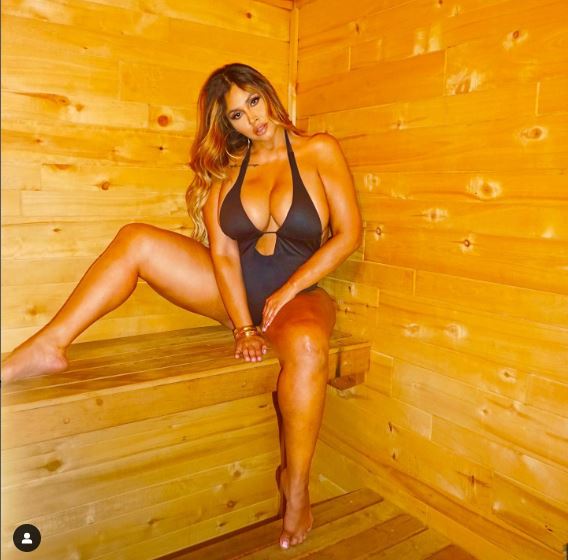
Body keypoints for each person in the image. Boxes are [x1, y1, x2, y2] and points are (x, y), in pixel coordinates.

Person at [1, 62, 362, 549]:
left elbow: (348, 235)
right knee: (135, 239)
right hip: (235, 296)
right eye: (236, 115)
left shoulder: (319, 150)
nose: (252, 119)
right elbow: (224, 257)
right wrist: (243, 327)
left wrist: (290, 289)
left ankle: (295, 488)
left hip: (298, 298)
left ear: (268, 95)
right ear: (227, 124)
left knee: (308, 345)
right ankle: (49, 345)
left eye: (253, 102)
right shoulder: (228, 173)